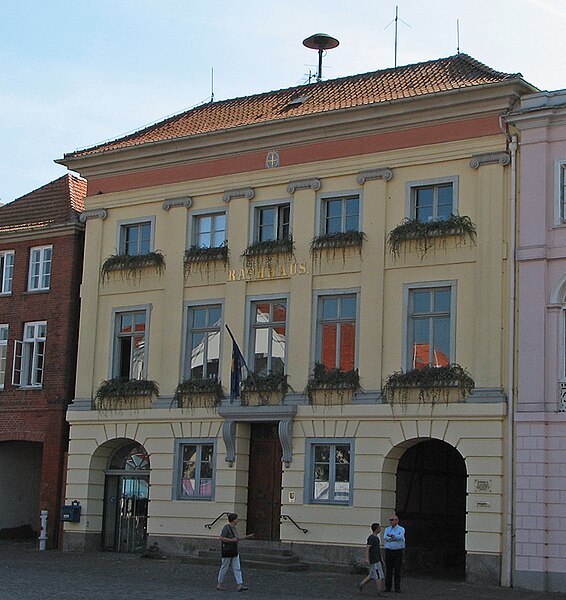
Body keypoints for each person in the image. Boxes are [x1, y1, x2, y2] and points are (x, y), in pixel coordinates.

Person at [217, 513, 254, 592]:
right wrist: (231, 540)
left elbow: (237, 538)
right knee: (224, 567)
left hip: (234, 550)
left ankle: (239, 585)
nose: (238, 521)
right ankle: (219, 584)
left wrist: (247, 536)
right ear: (233, 520)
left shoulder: (234, 528)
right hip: (227, 550)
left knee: (237, 568)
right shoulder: (226, 528)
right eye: (237, 519)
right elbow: (221, 538)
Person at [357, 522, 385, 596]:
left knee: (372, 574)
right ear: (377, 529)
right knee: (378, 575)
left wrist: (381, 558)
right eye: (379, 527)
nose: (380, 528)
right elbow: (368, 548)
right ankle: (379, 591)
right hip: (374, 559)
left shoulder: (375, 538)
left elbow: (377, 550)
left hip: (377, 559)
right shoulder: (372, 538)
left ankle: (361, 584)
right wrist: (367, 558)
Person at [383, 515, 405, 593]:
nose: (391, 521)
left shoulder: (401, 529)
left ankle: (397, 587)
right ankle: (388, 587)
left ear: (397, 521)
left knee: (397, 570)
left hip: (398, 551)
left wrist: (392, 537)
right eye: (391, 520)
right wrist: (393, 538)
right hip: (389, 551)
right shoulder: (387, 529)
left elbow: (400, 537)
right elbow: (385, 538)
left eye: (393, 520)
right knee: (388, 569)